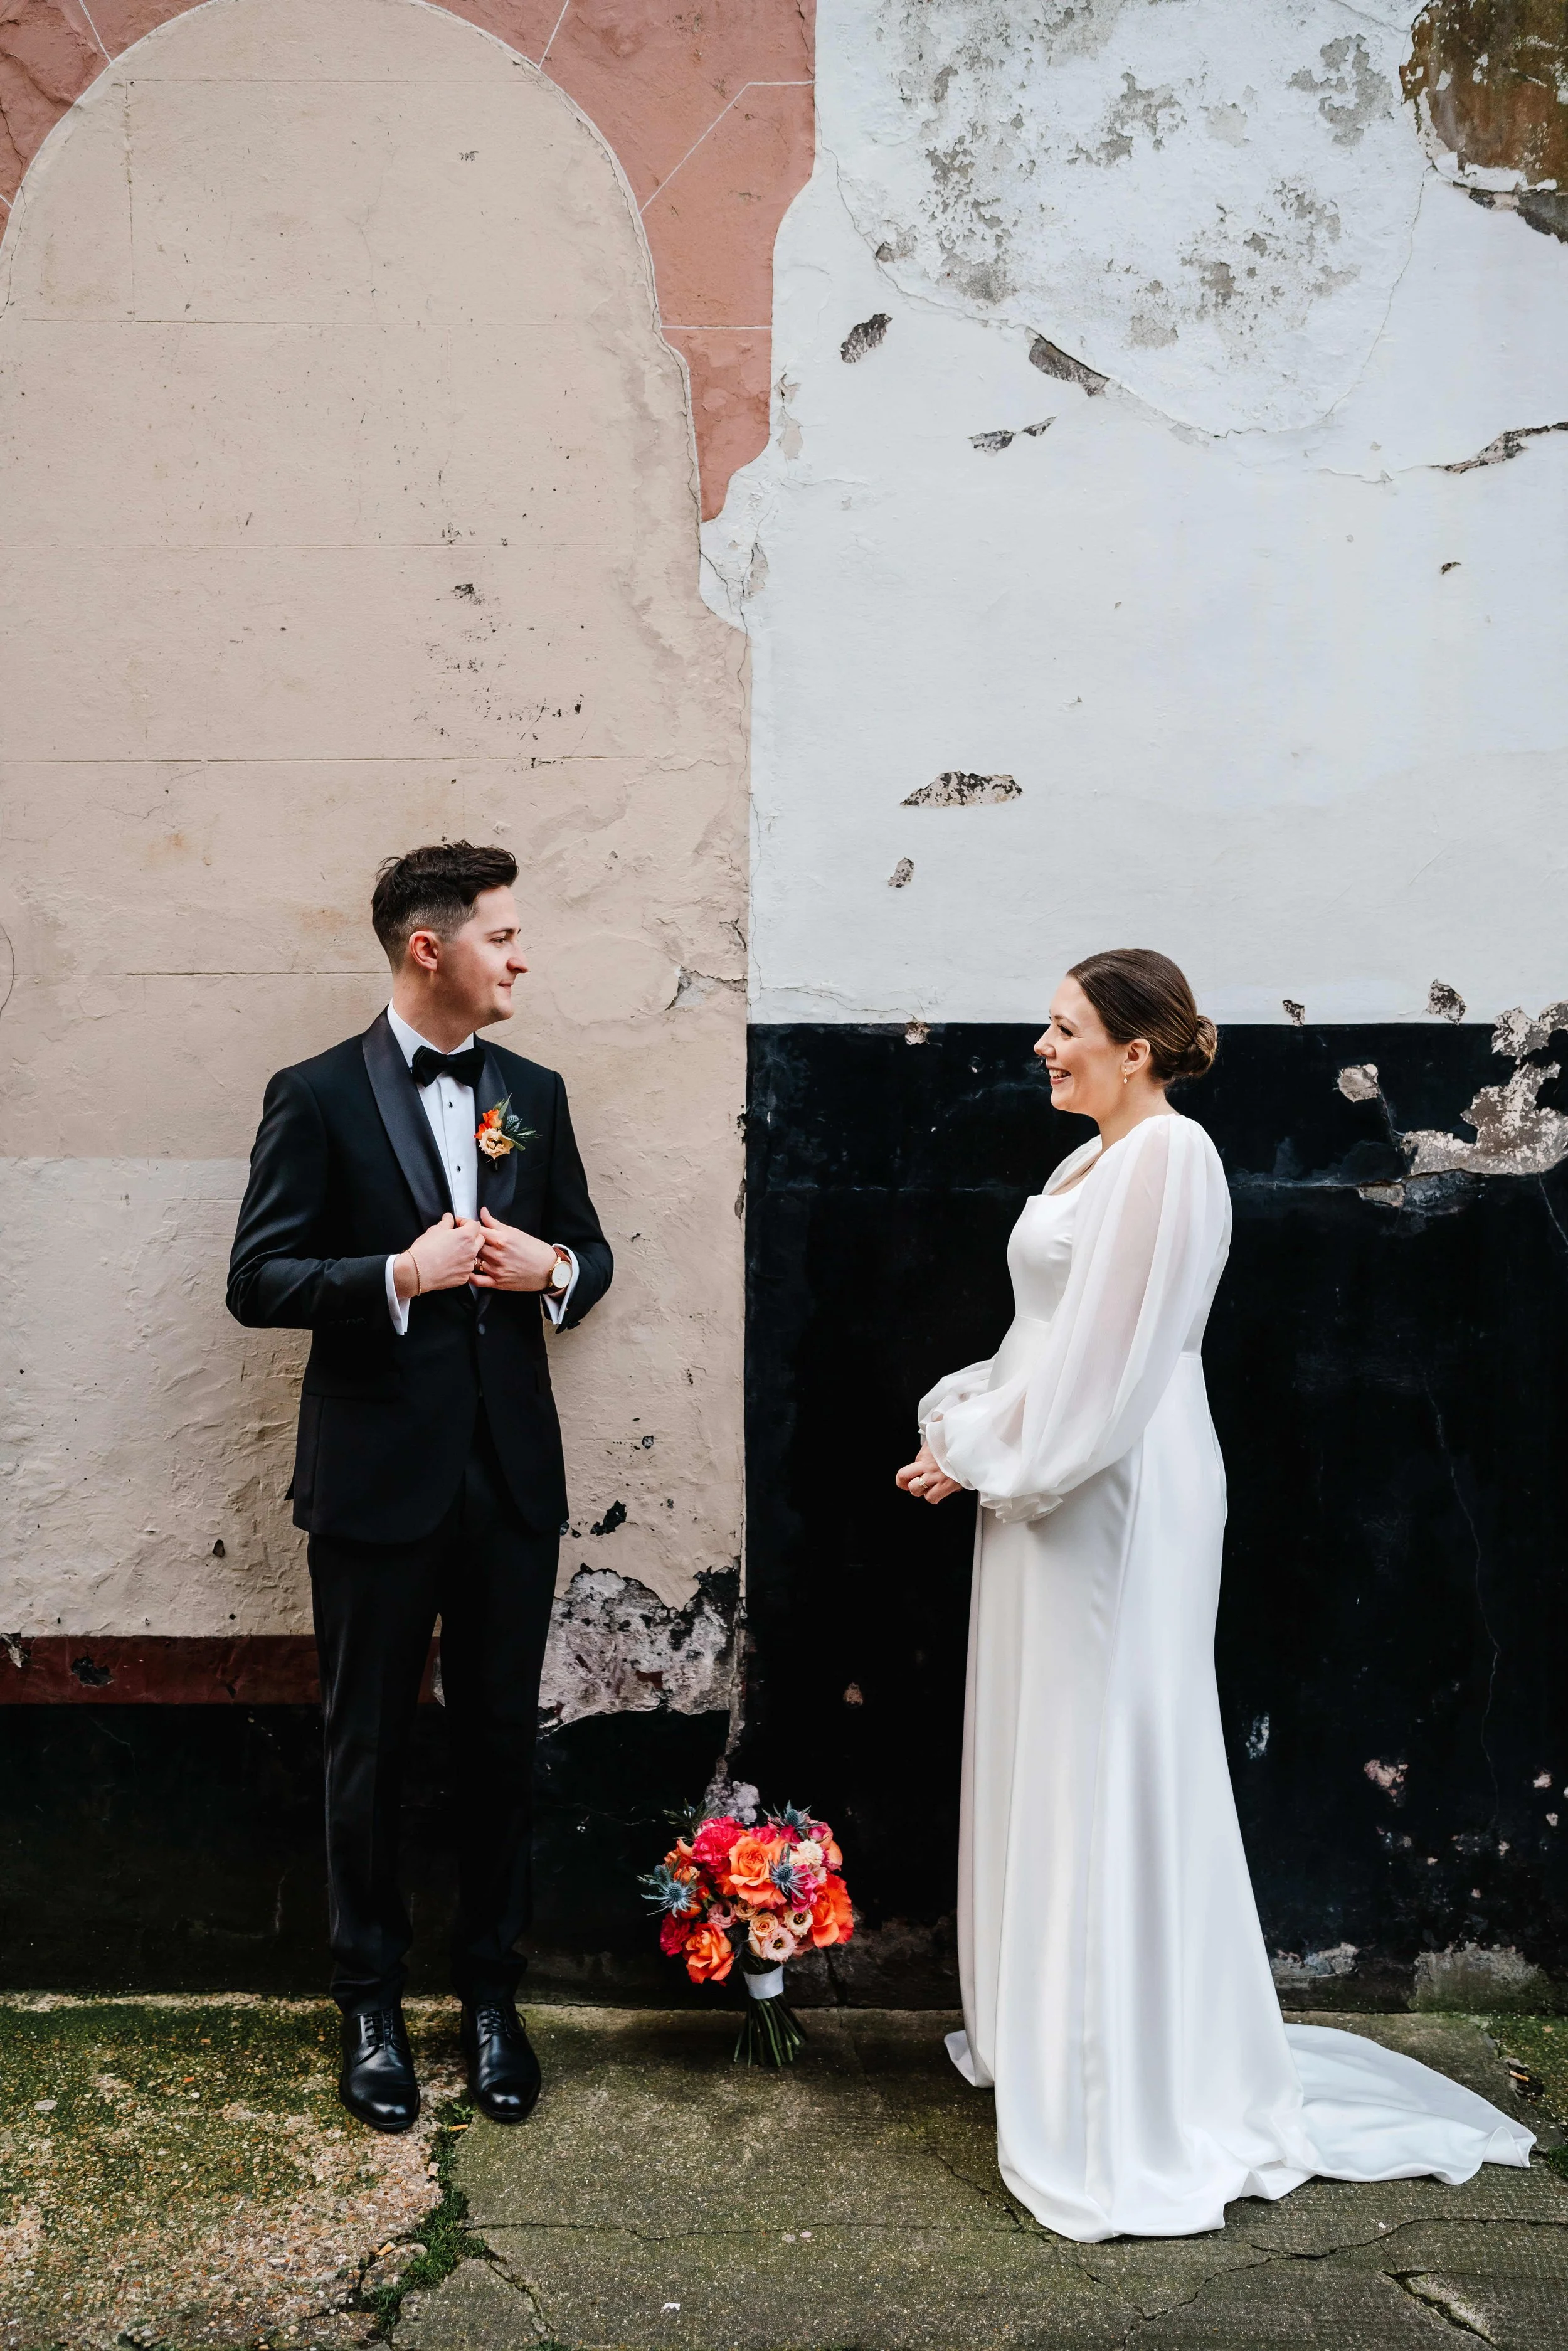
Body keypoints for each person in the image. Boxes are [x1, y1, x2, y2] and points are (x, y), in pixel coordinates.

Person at [896, 948, 1531, 2241]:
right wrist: (967, 1417)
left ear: (1133, 1049)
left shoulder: (1165, 1158)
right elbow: (1051, 1343)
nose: (1040, 1044)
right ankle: (1053, 2040)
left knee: (1105, 1752)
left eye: (1063, 1026)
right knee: (1050, 1743)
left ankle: (1117, 2079)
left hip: (1112, 1490)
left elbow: (1116, 1361)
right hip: (1051, 1477)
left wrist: (981, 1451)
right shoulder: (1091, 1160)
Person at [228, 842, 611, 2134]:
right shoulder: (317, 1092)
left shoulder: (536, 1091)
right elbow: (258, 1276)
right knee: (368, 1746)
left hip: (509, 1477)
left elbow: (592, 1252)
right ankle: (370, 2001)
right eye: (502, 934)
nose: (521, 955)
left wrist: (546, 1266)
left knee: (502, 1741)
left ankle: (491, 1997)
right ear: (426, 949)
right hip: (375, 1480)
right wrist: (397, 1273)